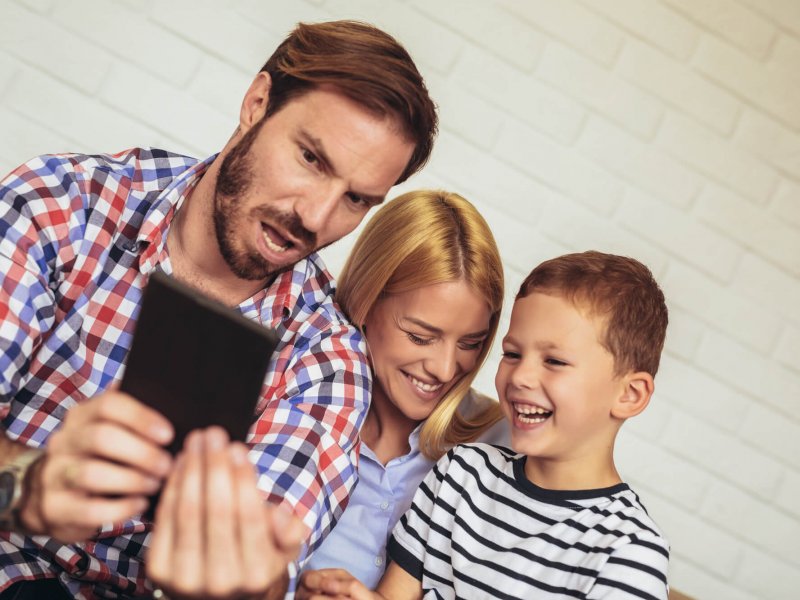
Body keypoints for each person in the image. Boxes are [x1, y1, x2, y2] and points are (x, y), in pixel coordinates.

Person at [0, 20, 437, 600]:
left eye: (356, 199)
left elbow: (253, 571)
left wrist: (237, 585)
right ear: (256, 104)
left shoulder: (328, 361)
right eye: (311, 158)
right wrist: (30, 487)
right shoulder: (63, 204)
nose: (315, 216)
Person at [299, 251, 671, 599]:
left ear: (630, 395)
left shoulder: (628, 553)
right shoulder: (461, 473)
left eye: (554, 361)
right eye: (512, 354)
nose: (520, 376)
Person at [300, 190, 508, 590]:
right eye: (420, 336)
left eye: (470, 343)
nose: (446, 369)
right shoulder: (298, 396)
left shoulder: (499, 442)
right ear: (365, 301)